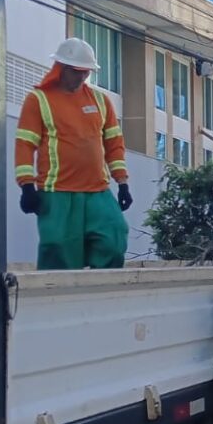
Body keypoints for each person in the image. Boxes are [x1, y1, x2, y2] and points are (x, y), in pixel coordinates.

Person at [13, 38, 132, 270]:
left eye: (87, 72)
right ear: (62, 68)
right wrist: (26, 186)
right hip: (57, 193)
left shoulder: (100, 101)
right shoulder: (38, 100)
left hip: (97, 191)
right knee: (58, 248)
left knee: (114, 238)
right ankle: (58, 291)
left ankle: (102, 287)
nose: (82, 77)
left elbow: (114, 144)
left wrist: (123, 182)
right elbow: (25, 144)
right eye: (78, 71)